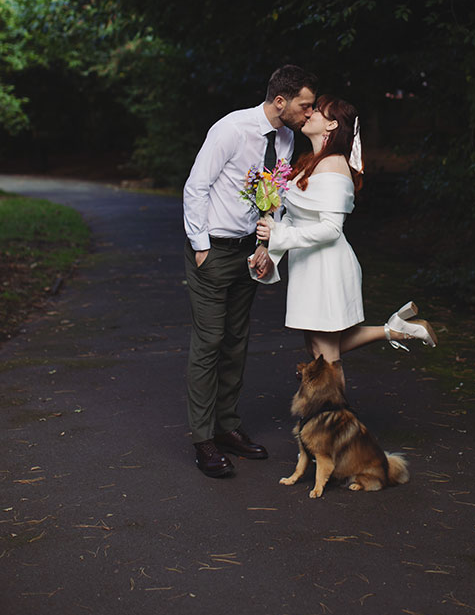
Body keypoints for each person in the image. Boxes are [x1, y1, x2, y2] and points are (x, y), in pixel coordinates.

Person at [183, 65, 318, 477]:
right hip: (214, 251)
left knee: (236, 342)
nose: (309, 113)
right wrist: (202, 248)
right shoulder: (231, 129)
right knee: (209, 342)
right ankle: (203, 440)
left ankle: (226, 427)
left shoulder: (286, 138)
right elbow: (196, 186)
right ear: (280, 101)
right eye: (305, 106)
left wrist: (266, 245)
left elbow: (273, 196)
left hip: (249, 254)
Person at [255, 95, 436, 377]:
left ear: (332, 125)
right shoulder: (310, 162)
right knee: (315, 346)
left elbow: (331, 229)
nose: (309, 113)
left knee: (325, 355)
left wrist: (278, 234)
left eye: (317, 111)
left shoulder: (334, 166)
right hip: (308, 266)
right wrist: (271, 249)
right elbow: (295, 216)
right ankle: (395, 330)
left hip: (327, 267)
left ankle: (330, 405)